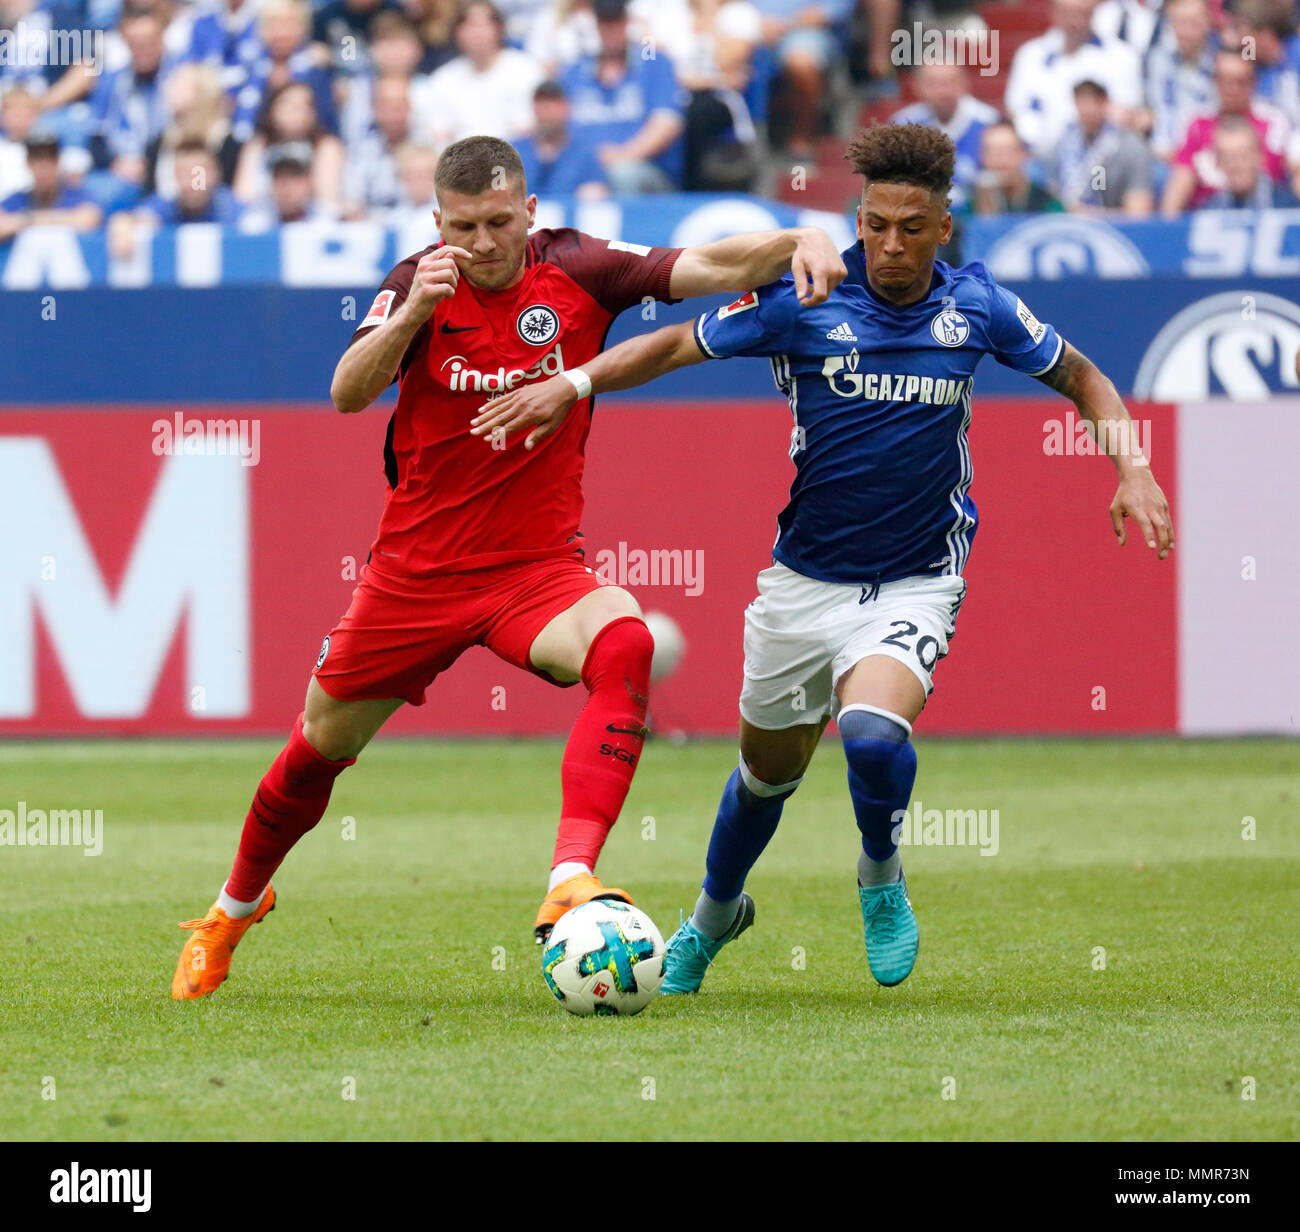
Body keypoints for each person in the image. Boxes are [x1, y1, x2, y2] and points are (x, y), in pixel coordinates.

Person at [470, 122, 1175, 995]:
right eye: (874, 223)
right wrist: (572, 383)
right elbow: (675, 344)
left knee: (873, 735)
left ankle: (880, 876)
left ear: (943, 229)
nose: (888, 244)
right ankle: (713, 914)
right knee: (767, 776)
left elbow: (1084, 376)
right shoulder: (806, 297)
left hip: (917, 577)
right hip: (802, 583)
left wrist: (1133, 468)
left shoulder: (978, 307)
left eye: (910, 228)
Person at [170, 132, 846, 999]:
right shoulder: (415, 282)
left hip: (534, 570)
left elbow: (712, 265)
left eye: (497, 223)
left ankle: (571, 876)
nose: (481, 244)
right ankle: (231, 911)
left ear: (529, 213)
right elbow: (346, 391)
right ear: (437, 222)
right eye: (462, 227)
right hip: (413, 579)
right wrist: (414, 309)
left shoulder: (581, 266)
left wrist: (801, 242)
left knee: (626, 644)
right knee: (316, 750)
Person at [562, 0, 687, 192]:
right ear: (595, 24)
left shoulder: (654, 62)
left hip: (645, 170)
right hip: (585, 171)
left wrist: (622, 155)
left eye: (616, 21)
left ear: (627, 22)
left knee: (623, 175)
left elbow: (667, 124)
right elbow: (559, 126)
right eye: (604, 22)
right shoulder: (575, 70)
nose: (611, 29)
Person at [1004, 0, 1142, 160]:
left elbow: (1124, 114)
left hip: (1100, 162)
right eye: (1068, 13)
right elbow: (1014, 110)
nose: (1075, 22)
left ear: (1094, 12)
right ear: (1054, 12)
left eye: (1082, 14)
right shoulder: (1030, 55)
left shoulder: (1121, 57)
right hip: (1038, 161)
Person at [1160, 50, 1290, 215]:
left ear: (1253, 83)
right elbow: (1182, 174)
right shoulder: (1196, 122)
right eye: (1225, 81)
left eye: (1240, 81)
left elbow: (1261, 174)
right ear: (1214, 81)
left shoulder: (1273, 121)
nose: (1232, 89)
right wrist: (1167, 225)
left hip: (1263, 209)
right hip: (1206, 213)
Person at [415, 1, 544, 148]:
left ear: (499, 28)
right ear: (457, 33)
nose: (476, 33)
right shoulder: (442, 79)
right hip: (460, 165)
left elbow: (527, 131)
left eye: (482, 25)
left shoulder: (526, 71)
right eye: (469, 26)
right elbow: (439, 134)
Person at [890, 60, 998, 211]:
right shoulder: (903, 125)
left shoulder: (989, 122)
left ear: (965, 83)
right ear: (917, 86)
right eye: (933, 84)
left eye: (950, 82)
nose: (943, 91)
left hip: (977, 217)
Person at [1049, 78, 1154, 216]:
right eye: (1082, 102)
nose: (1088, 109)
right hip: (1068, 228)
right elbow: (1050, 200)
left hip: (1116, 232)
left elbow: (1139, 213)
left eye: (1095, 101)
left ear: (1106, 103)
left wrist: (1092, 214)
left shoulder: (1131, 148)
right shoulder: (1062, 147)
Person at [513, 80, 608, 198]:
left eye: (554, 103)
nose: (547, 110)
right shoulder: (515, 153)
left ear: (567, 108)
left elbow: (596, 190)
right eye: (541, 103)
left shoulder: (583, 153)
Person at [0, 130, 102, 238]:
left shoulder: (77, 195)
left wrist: (26, 219)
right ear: (28, 163)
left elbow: (89, 219)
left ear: (58, 162)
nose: (42, 168)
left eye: (49, 160)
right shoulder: (18, 199)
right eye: (36, 160)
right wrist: (63, 218)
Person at [1201, 114, 1300, 207]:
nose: (1235, 165)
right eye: (1227, 157)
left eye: (1243, 156)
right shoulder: (1210, 211)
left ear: (1260, 156)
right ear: (1217, 162)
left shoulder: (1288, 207)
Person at [970, 120, 1065, 214]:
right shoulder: (970, 203)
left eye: (1007, 151)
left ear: (1023, 154)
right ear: (982, 157)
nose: (1001, 161)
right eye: (992, 153)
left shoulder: (1045, 202)